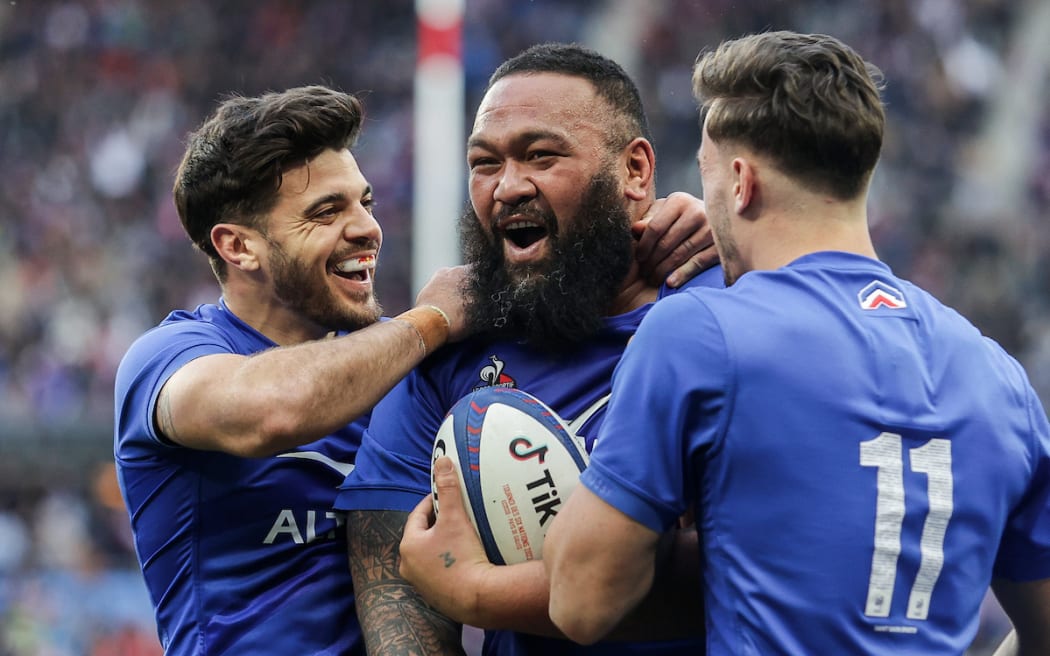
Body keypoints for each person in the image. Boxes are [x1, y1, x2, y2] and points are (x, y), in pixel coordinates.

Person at [113, 84, 711, 655]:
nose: (366, 228)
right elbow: (273, 410)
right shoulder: (169, 359)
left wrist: (693, 228)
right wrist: (431, 321)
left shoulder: (395, 372)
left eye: (364, 202)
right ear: (238, 247)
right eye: (325, 212)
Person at [543, 31, 1050, 656]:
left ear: (740, 182)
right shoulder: (999, 377)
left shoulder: (699, 332)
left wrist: (470, 588)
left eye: (705, 178)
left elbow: (581, 601)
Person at [337, 43, 720, 656]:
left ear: (636, 172)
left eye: (541, 156)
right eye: (484, 163)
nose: (508, 187)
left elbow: (750, 566)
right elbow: (394, 581)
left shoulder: (723, 316)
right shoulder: (451, 350)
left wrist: (480, 591)